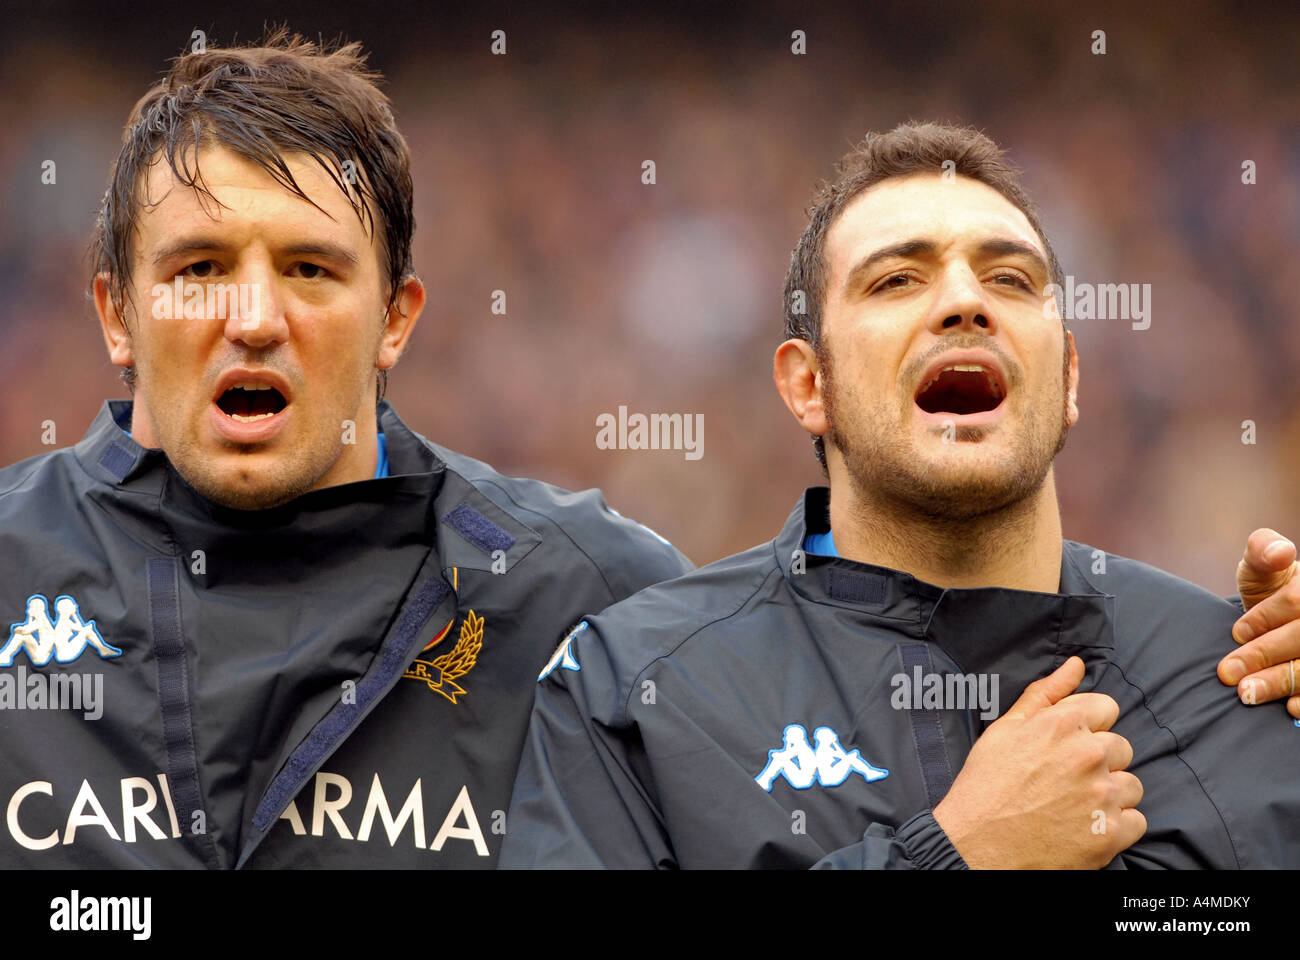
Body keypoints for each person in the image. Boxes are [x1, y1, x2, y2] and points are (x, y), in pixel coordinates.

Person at [499, 121, 1300, 869]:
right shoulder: (636, 689)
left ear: (1070, 377)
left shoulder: (1239, 679)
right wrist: (957, 856)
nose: (965, 302)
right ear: (809, 385)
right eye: (897, 279)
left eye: (1011, 278)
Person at [0, 31, 692, 868]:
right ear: (117, 316)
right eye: (201, 268)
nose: (254, 319)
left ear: (395, 319)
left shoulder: (600, 605)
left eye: (309, 269)